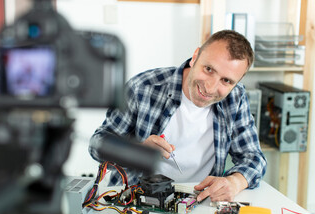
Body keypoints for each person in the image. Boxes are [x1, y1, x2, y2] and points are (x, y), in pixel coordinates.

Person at [88, 30, 267, 202]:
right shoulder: (142, 87)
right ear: (195, 56)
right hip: (135, 198)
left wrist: (234, 182)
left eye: (226, 81)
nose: (211, 88)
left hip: (198, 202)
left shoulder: (236, 98)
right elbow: (97, 144)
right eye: (209, 69)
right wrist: (136, 151)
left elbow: (253, 158)